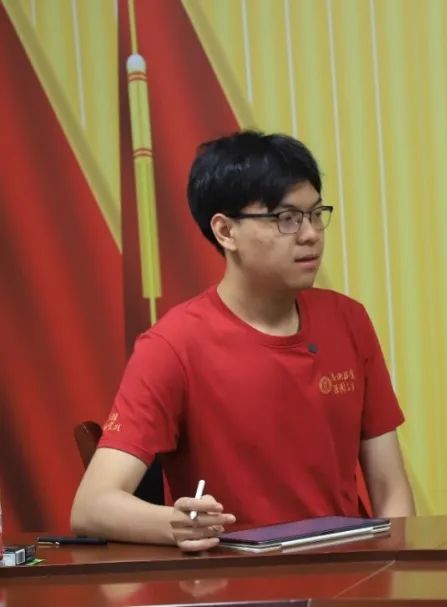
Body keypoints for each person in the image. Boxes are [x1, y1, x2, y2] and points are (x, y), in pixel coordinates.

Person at [71, 131, 415, 551]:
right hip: (236, 575)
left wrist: (399, 569)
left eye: (315, 214)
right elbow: (92, 506)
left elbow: (390, 488)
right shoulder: (173, 345)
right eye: (286, 218)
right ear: (226, 231)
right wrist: (176, 524)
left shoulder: (348, 321)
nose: (310, 234)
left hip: (348, 567)